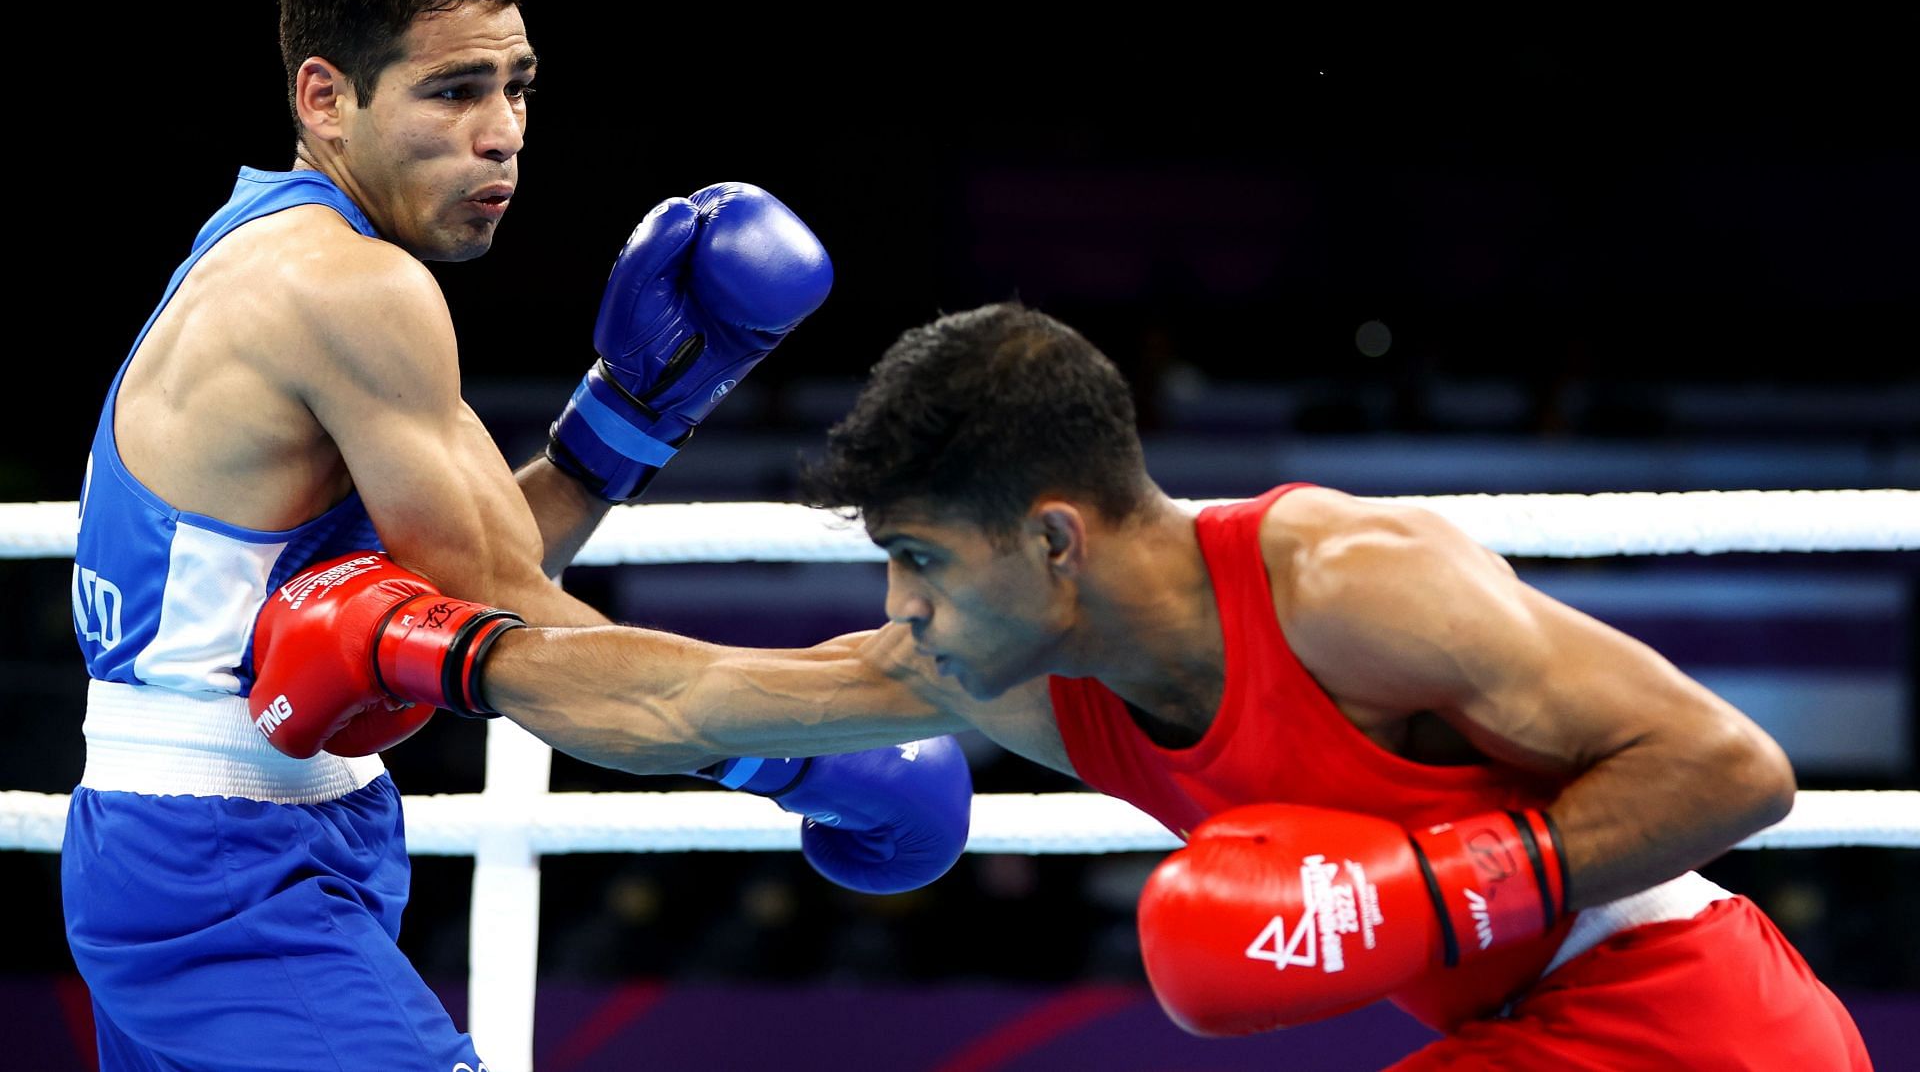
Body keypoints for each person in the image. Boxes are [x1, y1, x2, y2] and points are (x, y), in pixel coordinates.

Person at [263, 300, 1875, 1068]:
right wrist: (446, 646)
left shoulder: (1349, 584)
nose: (901, 608)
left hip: (1705, 1024)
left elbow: (1734, 766)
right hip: (1510, 1033)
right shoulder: (1014, 676)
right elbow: (681, 703)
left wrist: (1446, 883)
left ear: (1052, 539)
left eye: (922, 559)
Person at [64, 0, 969, 1072]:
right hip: (222, 856)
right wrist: (810, 745)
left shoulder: (270, 244)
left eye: (520, 87)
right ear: (325, 98)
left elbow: (478, 565)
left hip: (226, 836)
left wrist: (631, 418)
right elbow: (527, 637)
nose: (503, 136)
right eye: (453, 92)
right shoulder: (350, 287)